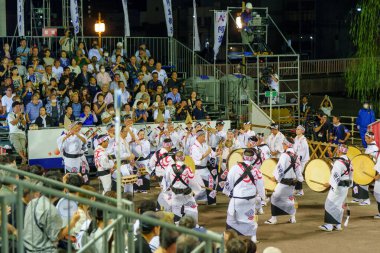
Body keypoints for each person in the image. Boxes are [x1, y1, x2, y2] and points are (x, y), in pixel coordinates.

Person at [23, 173, 81, 253]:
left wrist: (62, 183)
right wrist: (73, 221)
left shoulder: (32, 202)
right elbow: (57, 236)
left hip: (28, 247)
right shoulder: (51, 210)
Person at [223, 149, 266, 243]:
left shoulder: (234, 168)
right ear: (252, 159)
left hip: (237, 199)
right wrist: (263, 197)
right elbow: (261, 186)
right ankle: (253, 237)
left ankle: (230, 236)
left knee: (231, 218)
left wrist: (227, 192)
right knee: (250, 218)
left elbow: (229, 182)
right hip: (250, 200)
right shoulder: (256, 171)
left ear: (243, 157)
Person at [265, 137, 303, 225]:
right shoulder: (296, 156)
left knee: (274, 198)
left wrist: (275, 177)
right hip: (293, 182)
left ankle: (273, 218)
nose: (282, 145)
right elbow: (298, 171)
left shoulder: (284, 155)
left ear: (286, 145)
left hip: (284, 182)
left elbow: (280, 168)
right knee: (289, 199)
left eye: (283, 144)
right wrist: (300, 183)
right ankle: (292, 218)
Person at [319, 145, 353, 232]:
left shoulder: (339, 162)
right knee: (339, 206)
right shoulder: (349, 161)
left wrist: (330, 184)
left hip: (338, 187)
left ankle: (329, 225)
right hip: (345, 187)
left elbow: (336, 176)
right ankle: (338, 225)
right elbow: (351, 174)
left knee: (329, 204)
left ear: (339, 151)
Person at [164, 151, 201, 223]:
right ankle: (193, 225)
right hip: (186, 194)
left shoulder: (169, 168)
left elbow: (166, 180)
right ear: (183, 158)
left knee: (176, 209)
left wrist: (167, 189)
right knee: (192, 208)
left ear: (175, 158)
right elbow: (192, 181)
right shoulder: (187, 168)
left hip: (175, 193)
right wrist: (197, 190)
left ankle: (177, 225)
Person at [191, 130, 220, 205]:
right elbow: (199, 158)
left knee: (212, 183)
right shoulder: (194, 147)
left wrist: (217, 153)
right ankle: (192, 201)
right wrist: (207, 152)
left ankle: (211, 201)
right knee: (200, 189)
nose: (205, 138)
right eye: (203, 136)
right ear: (199, 137)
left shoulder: (205, 145)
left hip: (204, 168)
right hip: (197, 170)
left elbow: (212, 154)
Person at [352, 131, 377, 206]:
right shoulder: (369, 146)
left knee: (363, 180)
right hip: (365, 167)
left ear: (371, 138)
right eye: (365, 138)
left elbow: (374, 160)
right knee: (355, 175)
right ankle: (357, 197)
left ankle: (366, 200)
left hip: (372, 169)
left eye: (366, 138)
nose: (365, 140)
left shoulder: (375, 147)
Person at [293, 125, 310, 196]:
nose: (297, 130)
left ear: (302, 131)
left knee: (298, 173)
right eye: (296, 129)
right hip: (296, 158)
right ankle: (297, 189)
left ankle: (300, 190)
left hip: (302, 160)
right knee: (296, 174)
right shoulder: (296, 138)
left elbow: (302, 152)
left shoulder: (303, 140)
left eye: (298, 129)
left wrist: (298, 160)